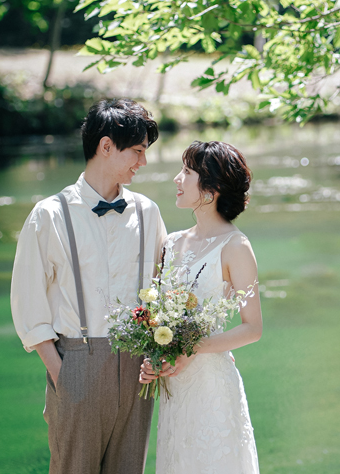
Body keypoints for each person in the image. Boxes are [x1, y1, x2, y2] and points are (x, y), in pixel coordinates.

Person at [11, 99, 168, 474]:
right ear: (106, 146)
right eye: (138, 151)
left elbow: (163, 290)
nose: (143, 162)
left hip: (137, 368)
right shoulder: (50, 214)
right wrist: (63, 375)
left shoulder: (148, 212)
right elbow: (28, 302)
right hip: (76, 362)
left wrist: (156, 353)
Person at [140, 140, 262, 474]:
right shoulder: (171, 243)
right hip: (174, 386)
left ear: (211, 189)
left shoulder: (236, 246)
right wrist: (155, 359)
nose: (177, 179)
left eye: (187, 172)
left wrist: (192, 348)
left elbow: (252, 328)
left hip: (211, 386)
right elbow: (157, 314)